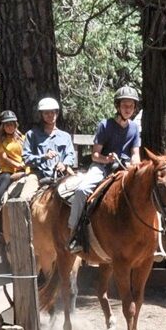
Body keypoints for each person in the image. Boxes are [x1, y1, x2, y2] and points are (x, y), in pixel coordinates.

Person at [67, 86, 142, 253]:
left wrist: (134, 165)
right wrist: (106, 159)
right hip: (102, 167)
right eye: (124, 105)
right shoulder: (105, 125)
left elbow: (135, 154)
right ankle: (75, 233)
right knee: (81, 190)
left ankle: (153, 241)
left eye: (131, 106)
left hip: (124, 168)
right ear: (117, 106)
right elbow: (94, 155)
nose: (128, 109)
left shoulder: (135, 128)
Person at [23, 97, 76, 183]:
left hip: (61, 174)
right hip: (37, 175)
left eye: (53, 112)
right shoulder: (32, 135)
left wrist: (64, 164)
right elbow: (26, 159)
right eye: (46, 113)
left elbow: (70, 155)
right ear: (41, 115)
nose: (50, 115)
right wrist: (44, 157)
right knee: (27, 194)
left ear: (57, 113)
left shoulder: (65, 136)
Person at [0, 109, 28, 209]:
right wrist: (18, 165)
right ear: (2, 126)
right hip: (8, 171)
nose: (10, 127)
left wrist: (26, 164)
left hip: (25, 169)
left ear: (16, 125)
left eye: (12, 124)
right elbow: (3, 158)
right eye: (7, 124)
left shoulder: (24, 138)